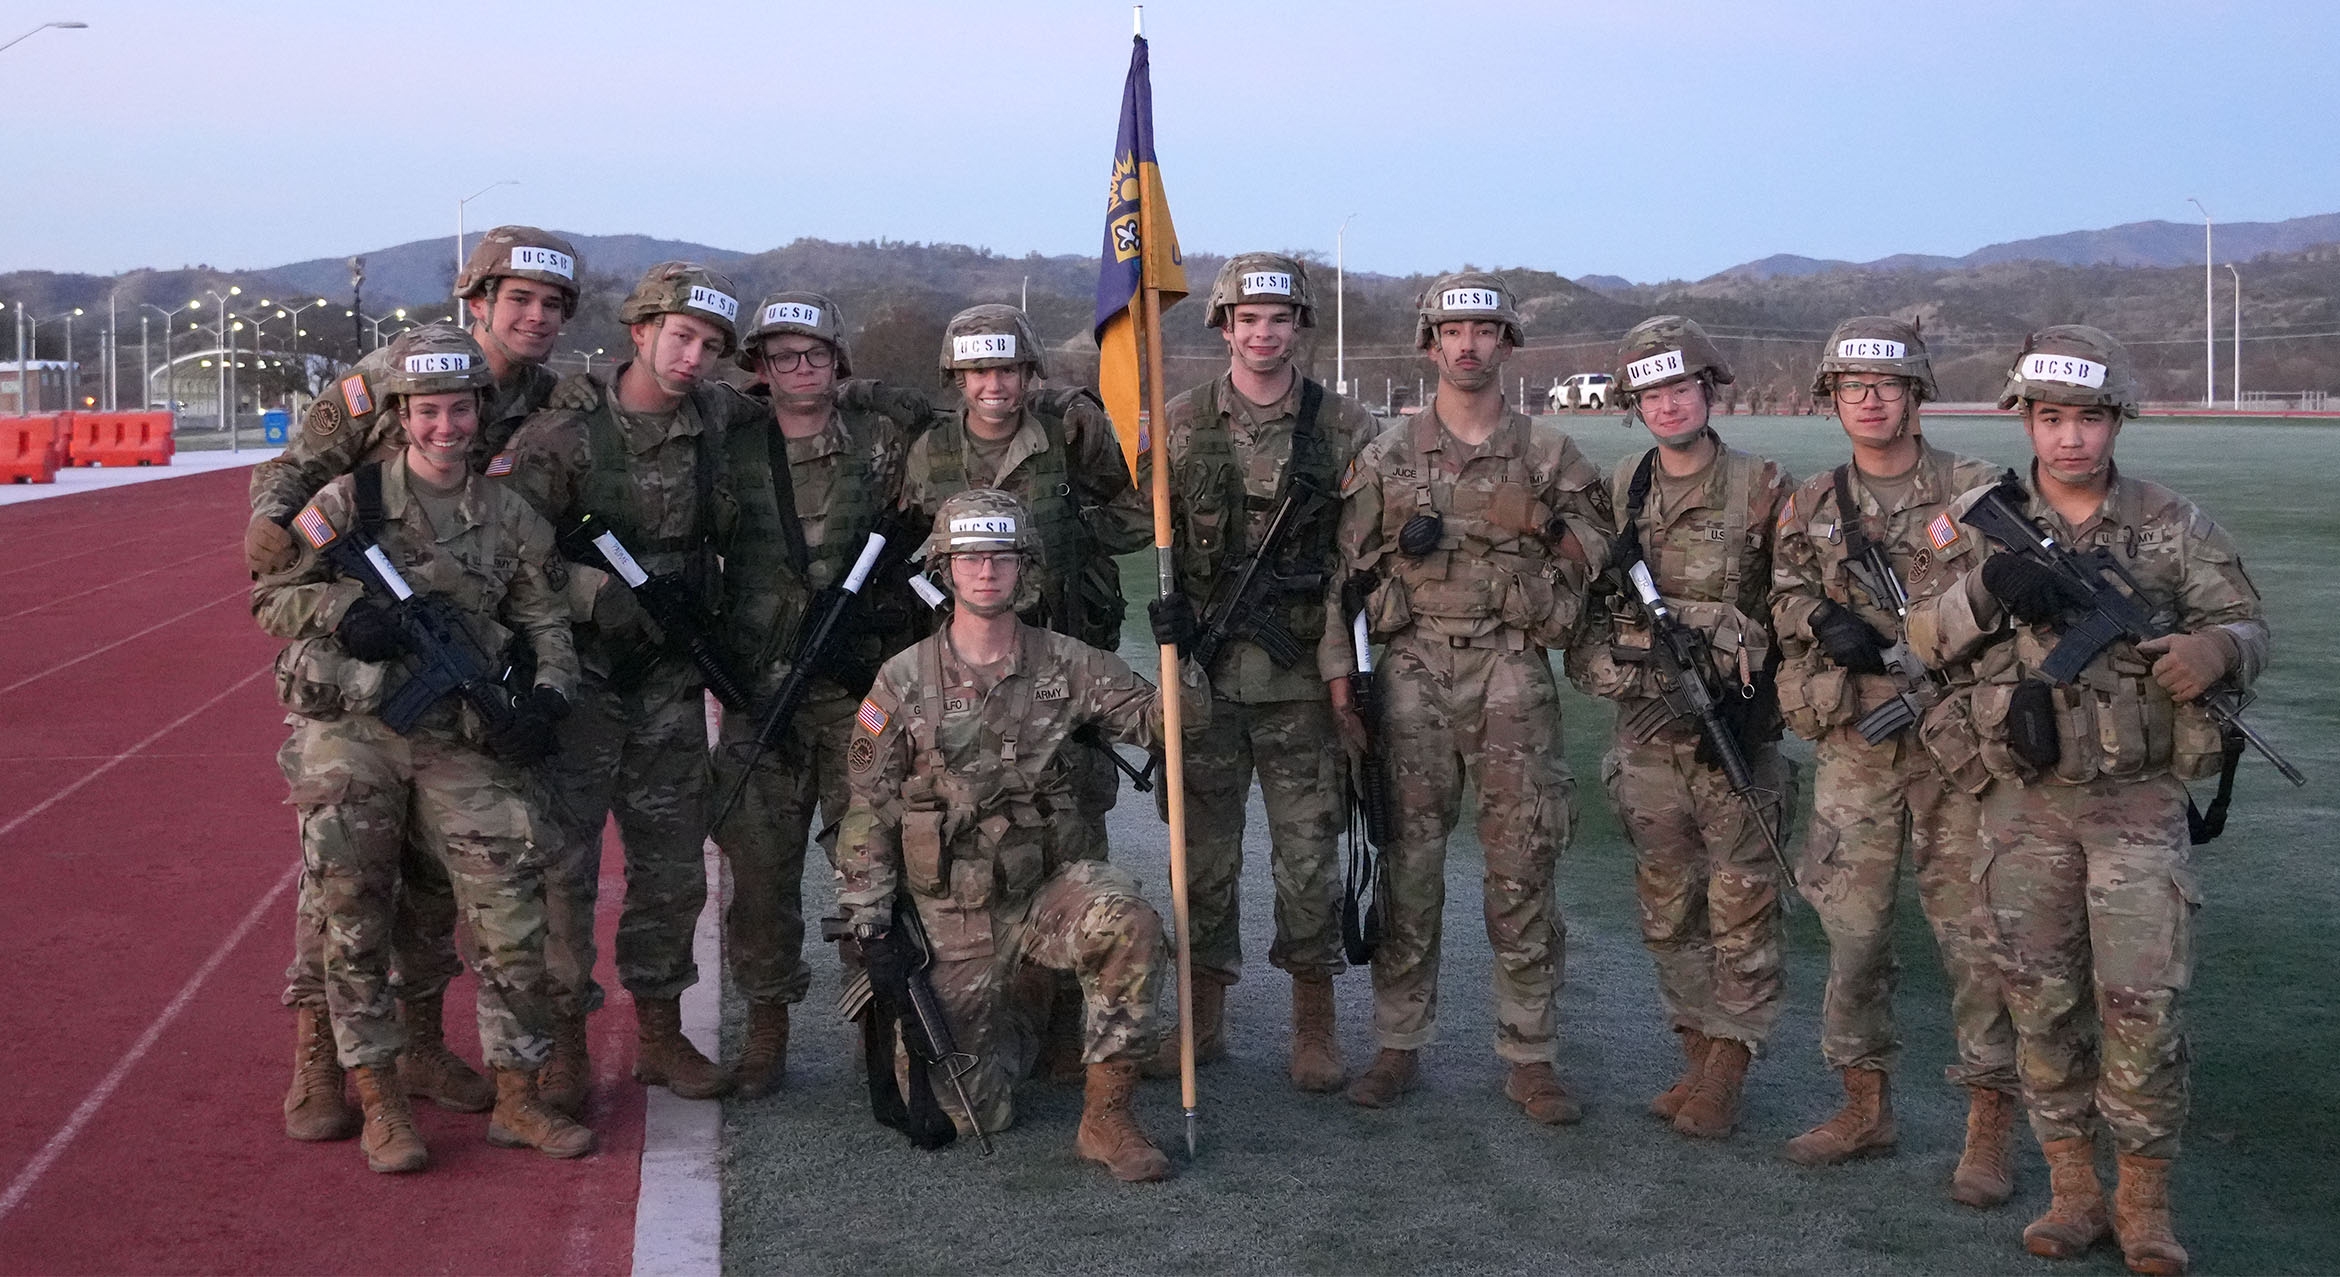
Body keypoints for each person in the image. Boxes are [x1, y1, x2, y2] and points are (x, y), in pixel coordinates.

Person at [1904, 326, 2268, 1275]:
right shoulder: (1975, 520)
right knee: (2039, 1002)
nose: (2071, 439)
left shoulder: (2171, 522)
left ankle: (2143, 1202)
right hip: (2021, 804)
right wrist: (1989, 588)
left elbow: (2245, 621)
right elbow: (1920, 637)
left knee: (2145, 1005)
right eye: (2052, 417)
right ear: (2026, 419)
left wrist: (2216, 651)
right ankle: (2071, 1190)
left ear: (2118, 421)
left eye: (2090, 419)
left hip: (2138, 803)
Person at [251, 227, 585, 1133]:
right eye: (519, 299)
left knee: (448, 885)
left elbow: (539, 587)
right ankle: (326, 1059)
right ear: (477, 300)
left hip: (457, 690)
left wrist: (543, 691)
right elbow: (288, 510)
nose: (536, 318)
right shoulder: (386, 378)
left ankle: (428, 1041)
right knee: (345, 887)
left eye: (553, 305)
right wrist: (328, 602)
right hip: (356, 684)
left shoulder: (550, 401)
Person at [832, 489, 1204, 1182]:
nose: (986, 571)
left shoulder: (1068, 661)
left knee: (1131, 920)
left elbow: (1169, 725)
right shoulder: (902, 679)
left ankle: (1108, 1118)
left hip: (1048, 889)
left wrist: (1184, 654)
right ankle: (1028, 1015)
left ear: (1023, 566)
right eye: (970, 556)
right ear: (944, 567)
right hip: (951, 909)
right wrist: (871, 926)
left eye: (1001, 555)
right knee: (971, 1112)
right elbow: (866, 809)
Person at [1329, 271, 1608, 1123]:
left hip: (1512, 672)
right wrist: (1343, 688)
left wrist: (1540, 523)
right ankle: (1398, 1042)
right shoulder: (1386, 454)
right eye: (1453, 331)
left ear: (1508, 344)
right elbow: (1342, 579)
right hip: (1410, 675)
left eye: (1486, 330)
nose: (1468, 344)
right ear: (1429, 345)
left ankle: (1530, 1053)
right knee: (1407, 867)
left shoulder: (1551, 453)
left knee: (1522, 863)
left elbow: (1595, 553)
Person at [497, 261, 761, 1111]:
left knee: (674, 866)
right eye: (681, 336)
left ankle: (657, 1031)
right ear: (639, 332)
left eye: (713, 345)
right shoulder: (561, 438)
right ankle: (564, 1042)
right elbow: (513, 557)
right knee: (562, 872)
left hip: (672, 684)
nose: (695, 358)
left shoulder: (720, 419)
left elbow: (815, 404)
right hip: (579, 682)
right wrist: (596, 597)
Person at [1769, 317, 2018, 1201]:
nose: (1870, 401)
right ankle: (1864, 1105)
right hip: (1858, 747)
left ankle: (1990, 1124)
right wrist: (1815, 622)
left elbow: (2019, 604)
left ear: (1917, 394)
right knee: (1853, 930)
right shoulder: (1811, 501)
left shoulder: (1978, 493)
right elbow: (1786, 594)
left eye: (1887, 386)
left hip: (1961, 747)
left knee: (1977, 939)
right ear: (1832, 398)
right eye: (1852, 388)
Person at [1140, 253, 1380, 1091]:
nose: (1264, 333)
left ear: (1299, 327)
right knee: (1201, 859)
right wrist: (1169, 613)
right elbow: (1157, 536)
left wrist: (1349, 672)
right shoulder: (1179, 422)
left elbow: (1364, 557)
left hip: (1303, 687)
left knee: (1307, 860)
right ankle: (1204, 1018)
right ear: (1224, 328)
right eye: (1248, 320)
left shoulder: (1344, 428)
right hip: (1204, 683)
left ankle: (1313, 1022)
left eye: (1279, 319)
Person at [1567, 315, 1795, 1141]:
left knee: (1741, 905)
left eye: (1679, 387)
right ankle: (1695, 1050)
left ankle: (1730, 1065)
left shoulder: (1763, 486)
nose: (1667, 405)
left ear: (1708, 389)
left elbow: (1794, 611)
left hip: (1731, 736)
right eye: (1651, 392)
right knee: (1668, 907)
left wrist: (1736, 648)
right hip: (1647, 739)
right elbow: (1585, 628)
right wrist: (1638, 662)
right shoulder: (1621, 484)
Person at [711, 290, 927, 1097]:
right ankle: (768, 1026)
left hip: (856, 692)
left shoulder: (882, 442)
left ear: (839, 362)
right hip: (758, 692)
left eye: (816, 355)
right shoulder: (730, 448)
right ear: (759, 369)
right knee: (759, 873)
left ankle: (879, 1024)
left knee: (870, 862)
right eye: (782, 357)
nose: (800, 370)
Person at [899, 305, 1152, 863]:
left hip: (1063, 655)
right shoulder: (931, 451)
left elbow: (1136, 510)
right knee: (966, 815)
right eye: (979, 372)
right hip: (966, 667)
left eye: (1008, 370)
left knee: (1075, 820)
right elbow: (910, 546)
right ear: (957, 377)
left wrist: (1070, 536)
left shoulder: (1069, 431)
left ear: (1029, 372)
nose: (994, 384)